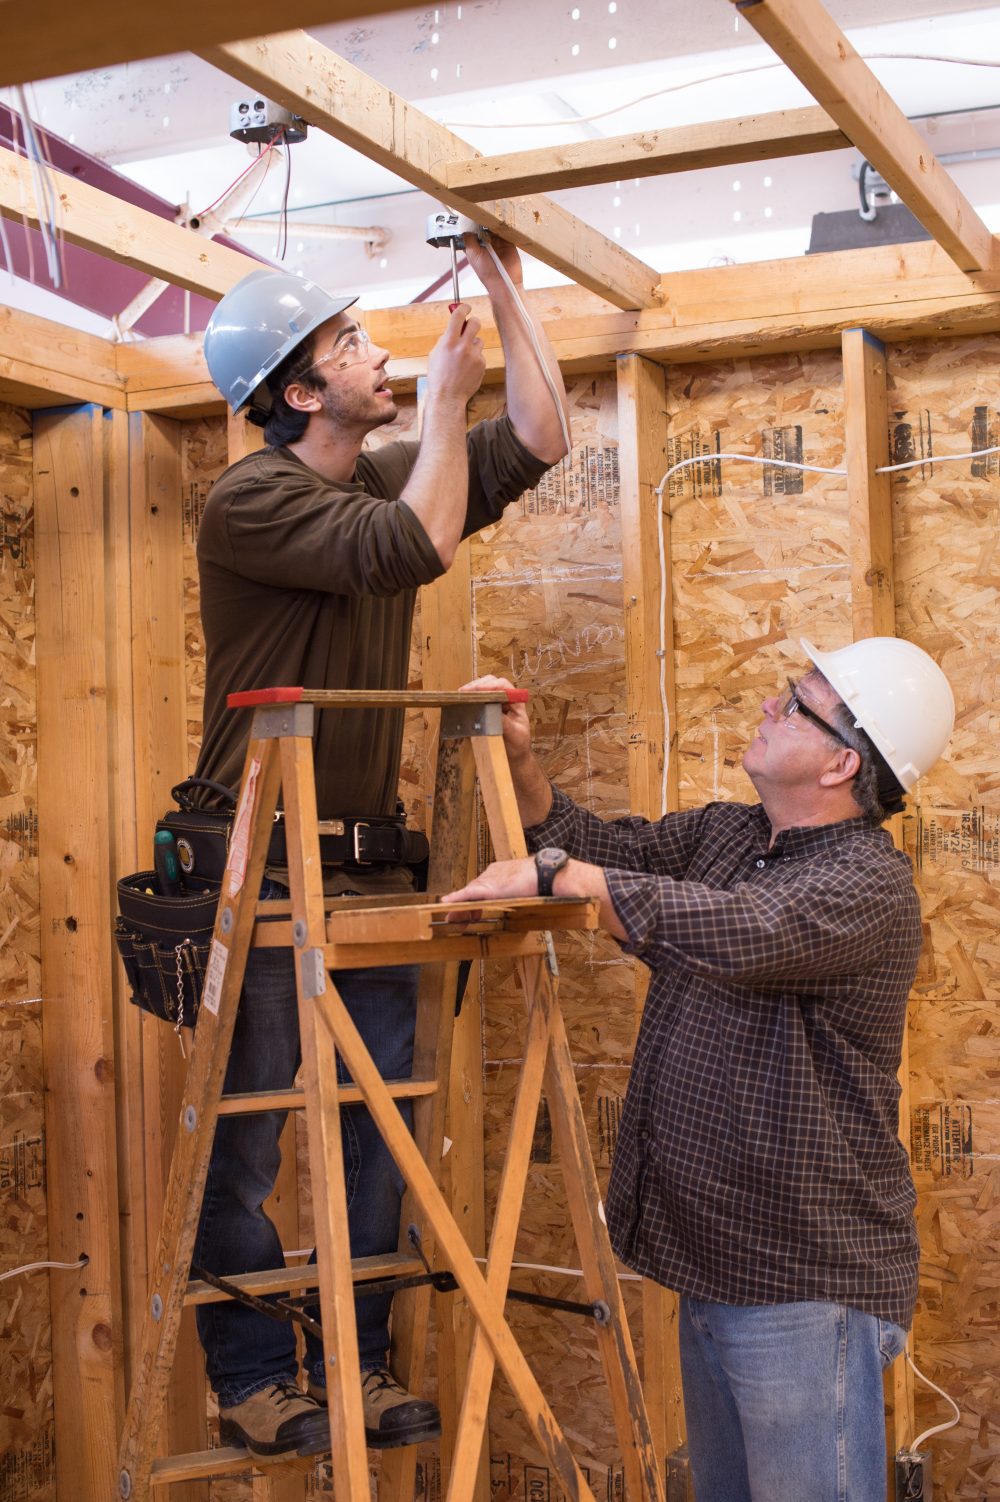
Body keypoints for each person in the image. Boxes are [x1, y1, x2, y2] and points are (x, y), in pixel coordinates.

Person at [192, 234, 570, 1462]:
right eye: (349, 343)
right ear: (300, 392)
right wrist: (450, 404)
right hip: (255, 865)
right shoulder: (250, 501)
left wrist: (506, 287)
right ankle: (255, 1377)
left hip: (363, 867)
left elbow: (547, 435)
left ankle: (355, 1360)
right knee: (249, 1136)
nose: (378, 352)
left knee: (377, 1125)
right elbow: (416, 546)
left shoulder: (386, 475)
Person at [442, 637, 955, 1502]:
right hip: (716, 1266)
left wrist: (568, 876)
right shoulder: (730, 835)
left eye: (797, 703)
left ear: (840, 762)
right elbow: (592, 847)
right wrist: (525, 771)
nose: (769, 705)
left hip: (803, 1282)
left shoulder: (865, 884)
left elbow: (743, 931)